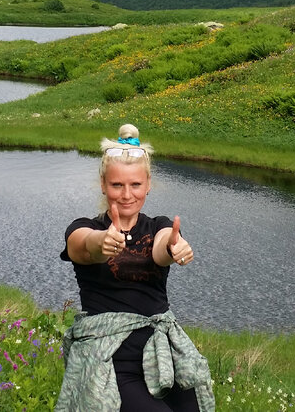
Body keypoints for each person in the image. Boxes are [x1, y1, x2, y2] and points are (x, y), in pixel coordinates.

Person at [56, 124, 215, 412]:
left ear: (148, 184)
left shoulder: (158, 226)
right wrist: (102, 242)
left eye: (136, 185)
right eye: (117, 185)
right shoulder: (85, 228)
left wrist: (172, 248)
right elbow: (82, 246)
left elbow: (161, 247)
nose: (127, 194)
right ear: (104, 184)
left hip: (162, 352)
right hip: (111, 359)